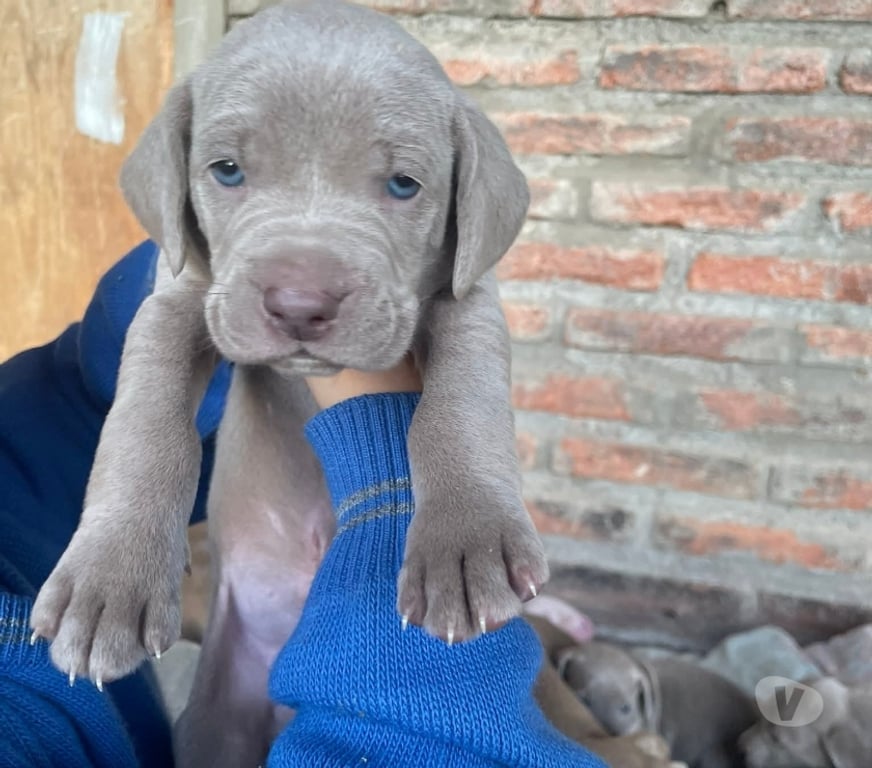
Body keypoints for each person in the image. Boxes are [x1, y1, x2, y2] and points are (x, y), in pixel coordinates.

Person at [0, 241, 605, 767]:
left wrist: (209, 232)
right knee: (228, 718)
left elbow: (75, 394)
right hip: (377, 558)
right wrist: (391, 481)